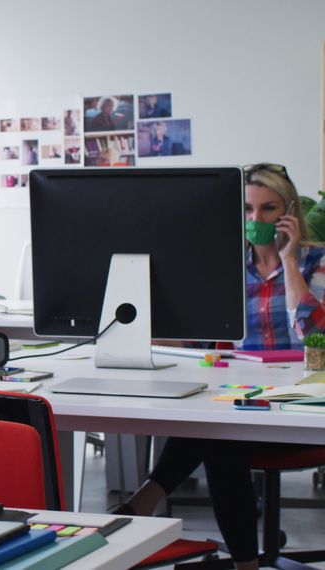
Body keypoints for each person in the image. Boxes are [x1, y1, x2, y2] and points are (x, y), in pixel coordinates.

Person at [115, 163, 324, 570]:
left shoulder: (315, 261)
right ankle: (243, 563)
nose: (255, 218)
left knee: (219, 433)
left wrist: (289, 261)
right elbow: (199, 340)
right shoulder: (227, 266)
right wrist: (144, 332)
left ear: (289, 212)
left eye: (268, 209)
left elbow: (314, 333)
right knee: (218, 430)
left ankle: (145, 500)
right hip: (243, 403)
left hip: (298, 407)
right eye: (247, 209)